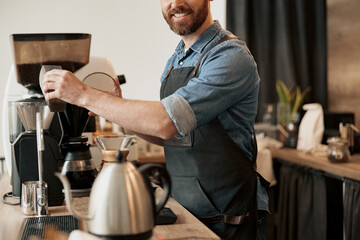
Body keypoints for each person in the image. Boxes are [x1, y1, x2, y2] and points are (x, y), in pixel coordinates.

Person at [42, 0, 269, 239]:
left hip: (227, 222)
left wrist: (84, 94)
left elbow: (166, 122)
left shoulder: (230, 56)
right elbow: (172, 136)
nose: (176, 3)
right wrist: (112, 108)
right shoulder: (177, 59)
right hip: (184, 212)